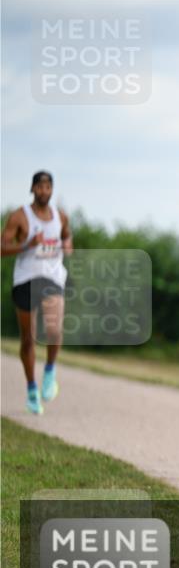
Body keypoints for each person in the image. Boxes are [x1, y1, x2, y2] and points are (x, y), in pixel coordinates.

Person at [1, 171, 72, 414]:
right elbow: (2, 247)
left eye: (48, 187)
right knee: (28, 338)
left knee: (54, 329)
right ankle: (32, 389)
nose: (44, 191)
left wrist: (68, 245)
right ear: (32, 189)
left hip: (52, 277)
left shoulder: (61, 216)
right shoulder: (20, 216)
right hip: (26, 279)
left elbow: (67, 236)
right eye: (39, 187)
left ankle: (49, 371)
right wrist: (27, 245)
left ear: (52, 189)